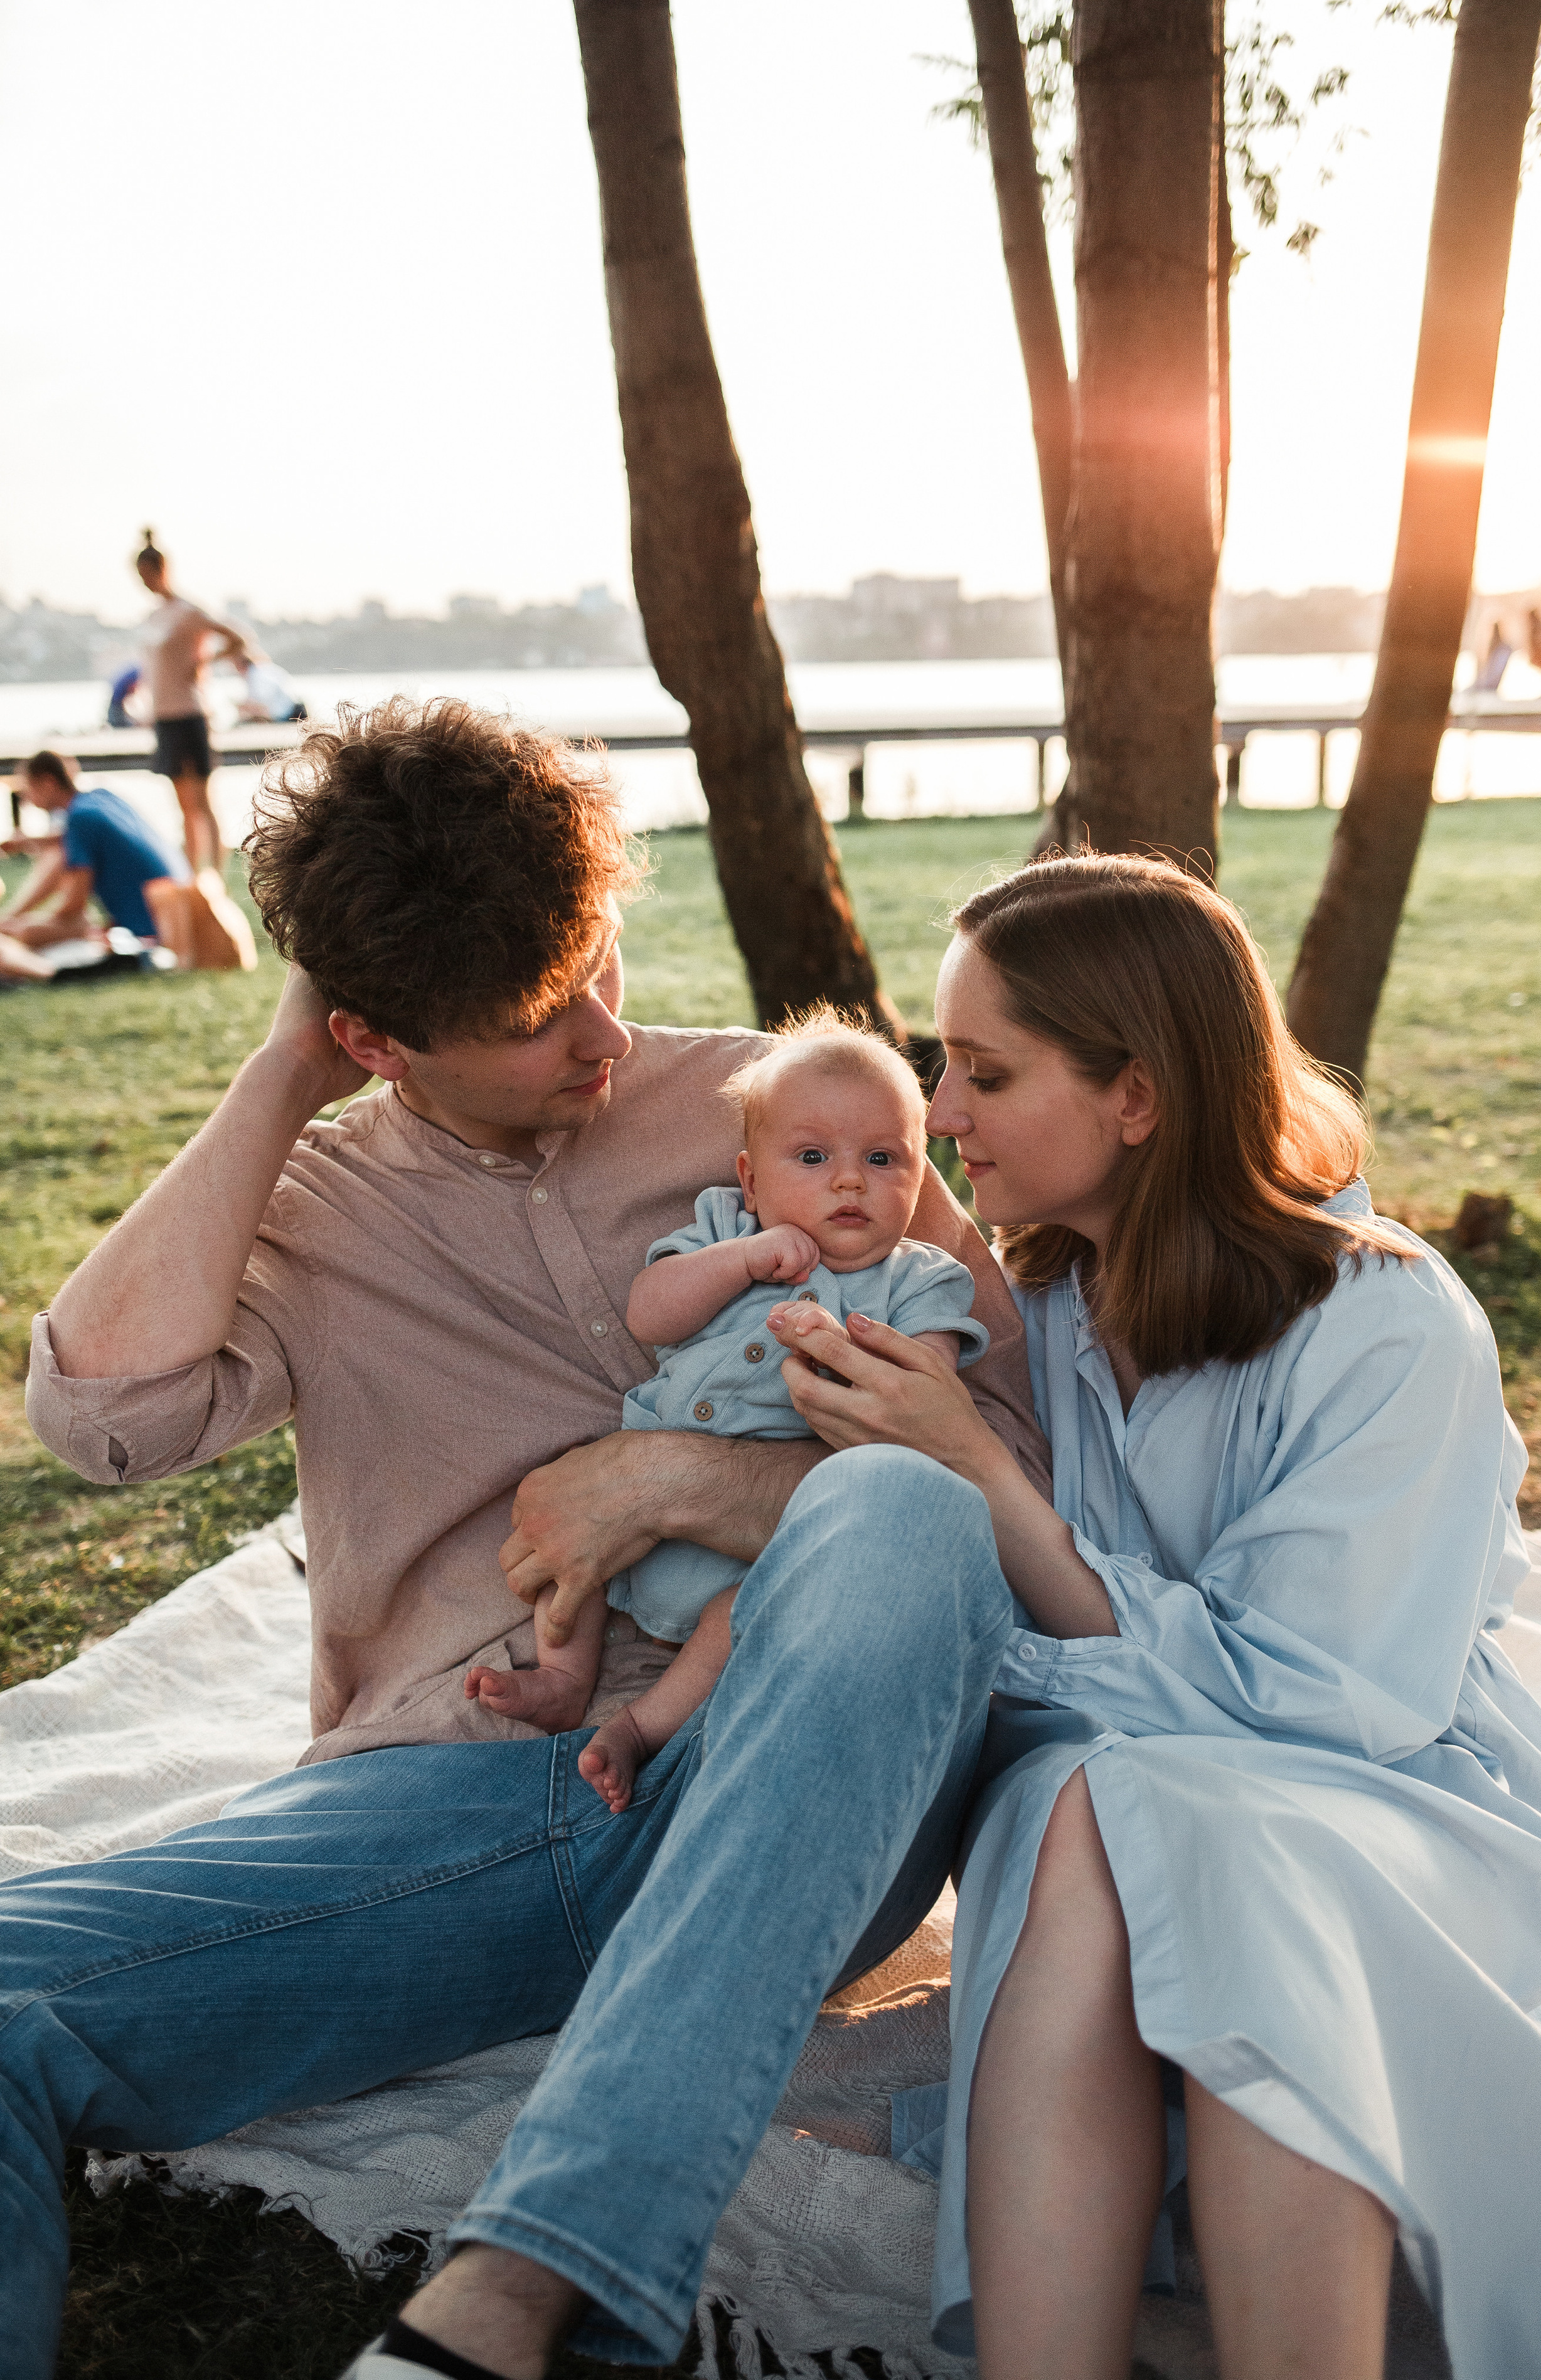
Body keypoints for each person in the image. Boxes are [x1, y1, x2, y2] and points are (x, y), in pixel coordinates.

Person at [4, 696, 1043, 2380]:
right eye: (531, 1017)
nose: (601, 1034)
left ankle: (520, 2283)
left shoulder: (792, 1116)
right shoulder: (312, 1206)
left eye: (597, 962)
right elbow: (103, 1417)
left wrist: (680, 1482)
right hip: (470, 1794)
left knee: (910, 1511)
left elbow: (1001, 1467)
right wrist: (280, 1075)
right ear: (374, 1036)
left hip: (817, 1746)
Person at [767, 853, 1541, 2380]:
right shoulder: (1023, 1311)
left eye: (984, 1072)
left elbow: (1330, 1698)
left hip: (1384, 1796)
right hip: (1105, 1798)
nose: (937, 1114)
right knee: (1093, 1798)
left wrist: (981, 1484)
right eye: (941, 1065)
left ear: (1136, 1095)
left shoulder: (1382, 1323)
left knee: (1173, 1833)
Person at [467, 1010, 989, 1814]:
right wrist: (740, 1261)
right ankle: (564, 1680)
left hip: (750, 1547)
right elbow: (651, 1314)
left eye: (882, 1159)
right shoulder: (723, 1228)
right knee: (569, 1539)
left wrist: (840, 1350)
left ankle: (639, 1728)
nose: (849, 1181)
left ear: (922, 1177)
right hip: (629, 1497)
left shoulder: (921, 1281)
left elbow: (923, 1405)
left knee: (734, 1621)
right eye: (812, 1158)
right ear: (751, 1181)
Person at [0, 750, 191, 970]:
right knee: (58, 863)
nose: (27, 800)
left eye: (28, 790)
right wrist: (29, 842)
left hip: (151, 929)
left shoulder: (79, 819)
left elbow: (74, 905)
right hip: (179, 911)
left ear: (48, 783)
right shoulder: (99, 798)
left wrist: (28, 924)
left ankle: (8, 922)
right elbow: (69, 836)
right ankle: (10, 919)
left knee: (30, 933)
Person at [132, 528, 255, 871]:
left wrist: (204, 662)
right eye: (139, 577)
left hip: (190, 713)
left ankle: (214, 873)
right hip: (163, 717)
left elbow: (239, 639)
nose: (144, 582)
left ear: (162, 570)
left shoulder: (188, 611)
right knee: (182, 806)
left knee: (202, 800)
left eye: (147, 574)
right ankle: (189, 874)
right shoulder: (154, 617)